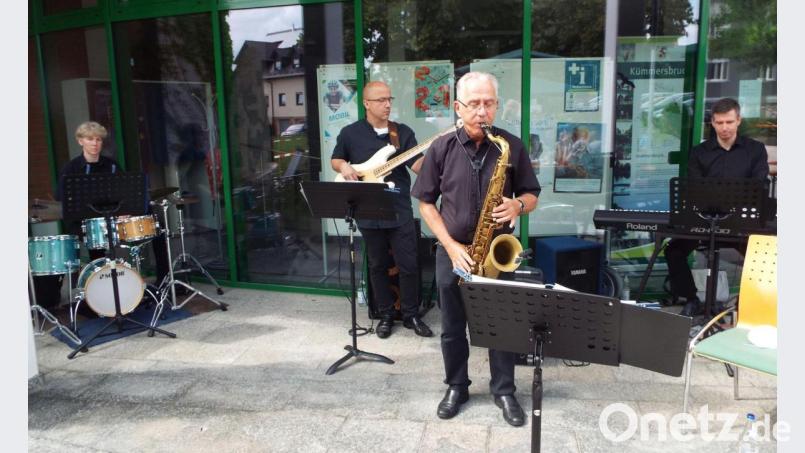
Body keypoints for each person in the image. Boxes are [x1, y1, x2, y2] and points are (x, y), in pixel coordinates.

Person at [411, 72, 541, 427]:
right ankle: (457, 386)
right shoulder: (441, 147)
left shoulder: (510, 145)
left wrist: (518, 206)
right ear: (458, 106)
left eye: (489, 103)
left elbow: (532, 194)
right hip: (453, 252)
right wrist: (451, 246)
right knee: (452, 327)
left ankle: (504, 390)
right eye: (474, 104)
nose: (482, 111)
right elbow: (425, 203)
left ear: (496, 105)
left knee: (503, 325)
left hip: (496, 252)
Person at [331, 81, 433, 339]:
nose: (387, 104)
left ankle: (410, 314)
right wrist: (344, 167)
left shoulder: (402, 133)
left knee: (408, 264)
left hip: (398, 208)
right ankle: (386, 314)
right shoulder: (350, 133)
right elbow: (336, 159)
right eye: (380, 100)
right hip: (367, 209)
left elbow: (418, 166)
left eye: (390, 99)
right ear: (366, 103)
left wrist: (436, 161)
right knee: (376, 265)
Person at [51, 121, 169, 315]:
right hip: (86, 224)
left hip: (113, 220)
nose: (95, 143)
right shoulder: (71, 169)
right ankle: (99, 300)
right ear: (80, 141)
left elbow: (125, 191)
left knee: (158, 227)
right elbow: (61, 197)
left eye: (98, 139)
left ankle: (162, 280)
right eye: (90, 139)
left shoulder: (111, 165)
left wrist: (125, 209)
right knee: (97, 252)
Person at [667, 98, 769, 317]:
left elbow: (759, 185)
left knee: (761, 255)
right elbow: (693, 187)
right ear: (712, 123)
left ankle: (746, 304)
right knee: (673, 250)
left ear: (738, 121)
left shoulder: (755, 150)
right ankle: (690, 298)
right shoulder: (699, 152)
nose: (724, 128)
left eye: (729, 122)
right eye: (719, 122)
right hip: (706, 220)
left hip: (739, 222)